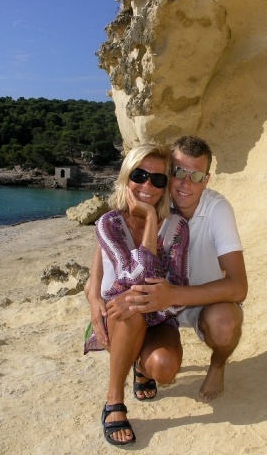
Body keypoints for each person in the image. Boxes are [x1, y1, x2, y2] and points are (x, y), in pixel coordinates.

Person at [86, 135, 248, 411]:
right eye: (179, 173)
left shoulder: (214, 210)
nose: (186, 184)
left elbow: (239, 287)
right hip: (151, 303)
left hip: (193, 302)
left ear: (207, 180)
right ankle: (129, 380)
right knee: (130, 310)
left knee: (225, 323)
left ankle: (218, 365)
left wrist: (171, 295)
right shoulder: (152, 194)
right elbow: (105, 246)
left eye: (196, 176)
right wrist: (93, 295)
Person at [84, 142, 190, 446]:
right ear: (126, 176)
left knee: (164, 369)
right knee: (130, 304)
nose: (148, 186)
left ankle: (140, 366)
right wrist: (151, 220)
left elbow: (179, 288)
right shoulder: (109, 223)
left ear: (166, 186)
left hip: (160, 317)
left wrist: (158, 303)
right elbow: (133, 276)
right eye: (140, 176)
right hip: (120, 317)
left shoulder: (178, 227)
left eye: (158, 179)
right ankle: (113, 401)